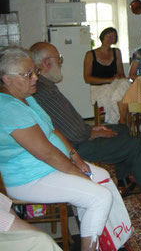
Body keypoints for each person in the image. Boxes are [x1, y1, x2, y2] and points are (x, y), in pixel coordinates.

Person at [30, 42, 141, 216]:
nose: (61, 62)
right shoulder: (44, 90)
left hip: (76, 138)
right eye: (59, 59)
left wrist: (94, 129)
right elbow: (73, 132)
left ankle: (125, 183)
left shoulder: (43, 85)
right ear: (47, 62)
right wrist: (92, 132)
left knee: (121, 129)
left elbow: (67, 122)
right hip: (75, 147)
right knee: (135, 144)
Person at [0, 46, 113, 251]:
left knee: (102, 176)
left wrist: (75, 157)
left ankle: (105, 238)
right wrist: (77, 174)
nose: (35, 77)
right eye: (28, 74)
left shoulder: (27, 98)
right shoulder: (7, 108)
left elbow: (53, 130)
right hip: (29, 178)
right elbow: (47, 153)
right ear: (6, 79)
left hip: (49, 168)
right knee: (100, 196)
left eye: (34, 71)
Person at [83, 27, 130, 124]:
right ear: (102, 37)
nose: (110, 38)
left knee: (125, 84)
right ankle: (122, 121)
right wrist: (108, 80)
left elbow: (121, 73)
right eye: (108, 36)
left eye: (113, 37)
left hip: (114, 84)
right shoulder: (90, 54)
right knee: (122, 96)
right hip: (98, 87)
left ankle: (121, 121)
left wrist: (120, 78)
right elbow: (87, 78)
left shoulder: (116, 52)